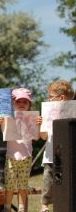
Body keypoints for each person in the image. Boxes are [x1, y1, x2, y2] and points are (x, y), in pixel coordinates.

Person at [0, 88, 42, 212]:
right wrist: (1, 121)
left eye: (25, 102)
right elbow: (3, 131)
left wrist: (38, 124)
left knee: (23, 186)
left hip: (26, 157)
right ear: (13, 103)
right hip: (11, 157)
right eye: (18, 102)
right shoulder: (8, 117)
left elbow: (37, 136)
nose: (22, 104)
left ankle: (22, 209)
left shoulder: (32, 118)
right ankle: (7, 208)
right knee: (10, 186)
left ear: (29, 105)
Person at [39, 80, 74, 212]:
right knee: (49, 181)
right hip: (51, 155)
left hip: (69, 156)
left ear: (62, 98)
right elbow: (43, 137)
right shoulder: (48, 114)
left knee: (66, 182)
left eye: (51, 97)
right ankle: (45, 205)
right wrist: (40, 125)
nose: (48, 99)